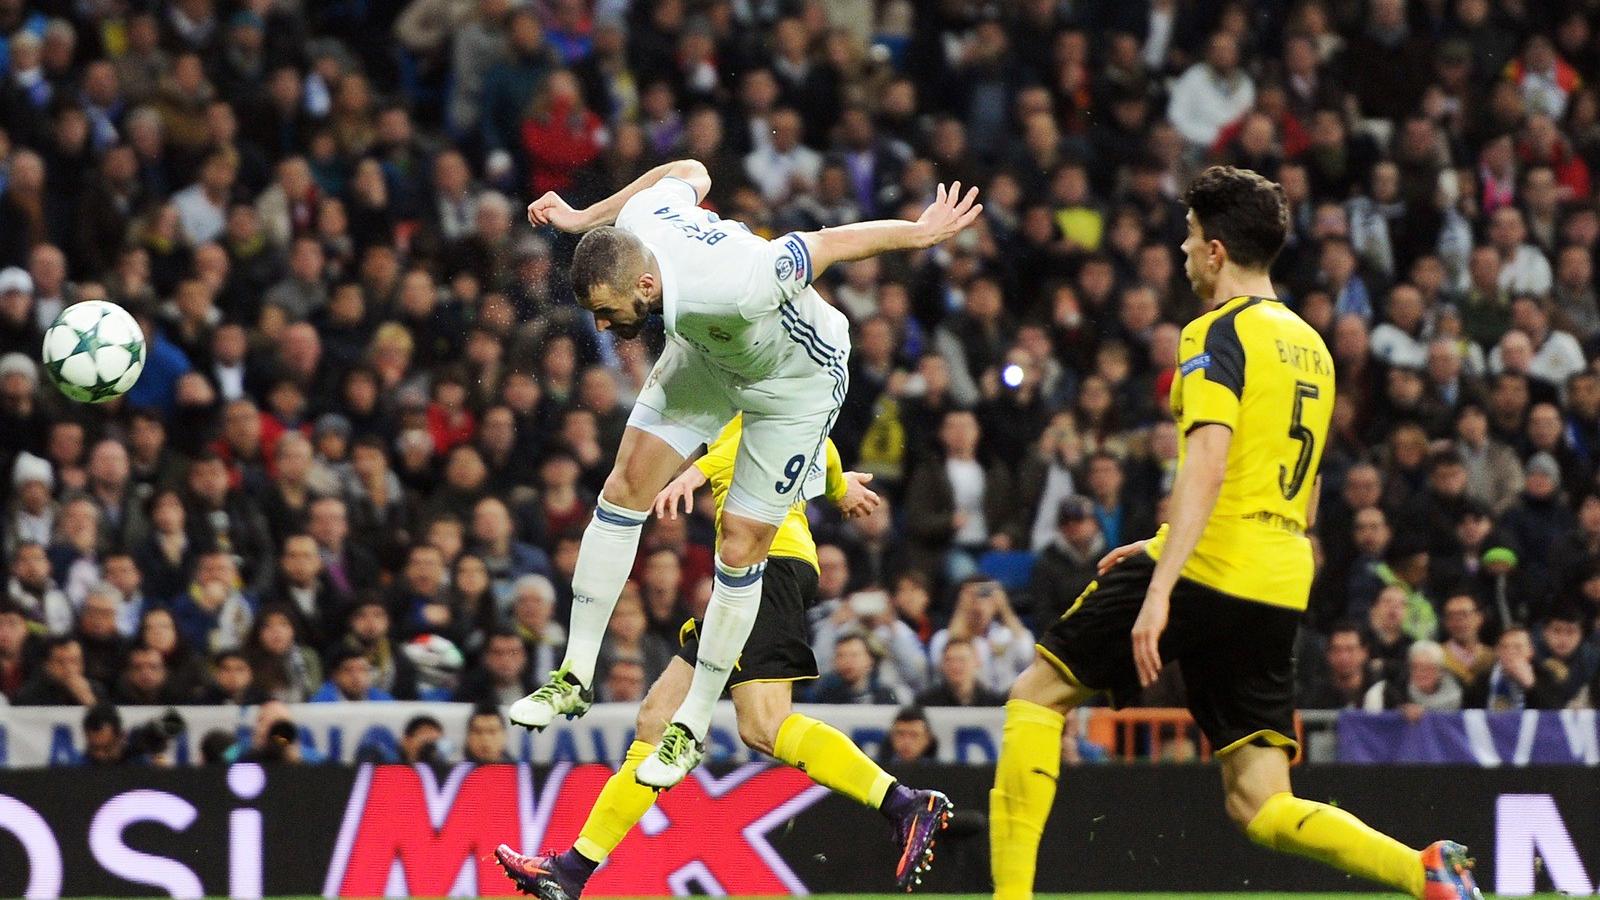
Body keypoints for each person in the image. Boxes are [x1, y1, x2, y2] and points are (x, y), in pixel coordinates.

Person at [989, 167, 1481, 900]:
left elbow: (1212, 465)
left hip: (1211, 564)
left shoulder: (1215, 332)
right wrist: (1162, 544)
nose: (1184, 254)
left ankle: (1010, 897)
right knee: (1260, 802)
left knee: (1036, 695)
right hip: (1280, 574)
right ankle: (1422, 870)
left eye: (1188, 240)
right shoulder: (1314, 346)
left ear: (1215, 252)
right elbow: (1304, 499)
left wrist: (1162, 586)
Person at [506, 157, 983, 790]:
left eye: (605, 309)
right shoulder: (645, 222)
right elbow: (692, 168)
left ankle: (692, 724)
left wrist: (919, 233)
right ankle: (574, 676)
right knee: (622, 490)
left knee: (739, 543)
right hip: (710, 354)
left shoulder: (739, 282)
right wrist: (581, 218)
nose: (599, 324)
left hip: (795, 380)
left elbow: (827, 243)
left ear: (646, 286)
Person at [497, 416, 952, 897]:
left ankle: (903, 802)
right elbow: (825, 448)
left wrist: (693, 474)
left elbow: (742, 446)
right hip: (754, 575)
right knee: (656, 717)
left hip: (766, 568)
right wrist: (838, 489)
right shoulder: (785, 405)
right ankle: (572, 869)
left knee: (765, 726)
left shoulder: (745, 399)